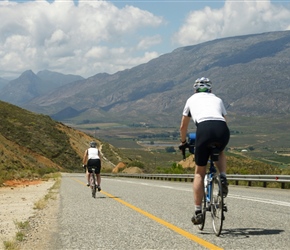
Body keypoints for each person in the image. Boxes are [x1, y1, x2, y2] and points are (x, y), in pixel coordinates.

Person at [179, 77, 230, 225]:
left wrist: (183, 143)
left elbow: (183, 126)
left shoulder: (191, 100)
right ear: (210, 89)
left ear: (195, 89)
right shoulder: (218, 100)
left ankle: (198, 211)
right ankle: (223, 176)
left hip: (204, 129)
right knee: (220, 152)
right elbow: (225, 121)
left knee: (199, 172)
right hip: (222, 129)